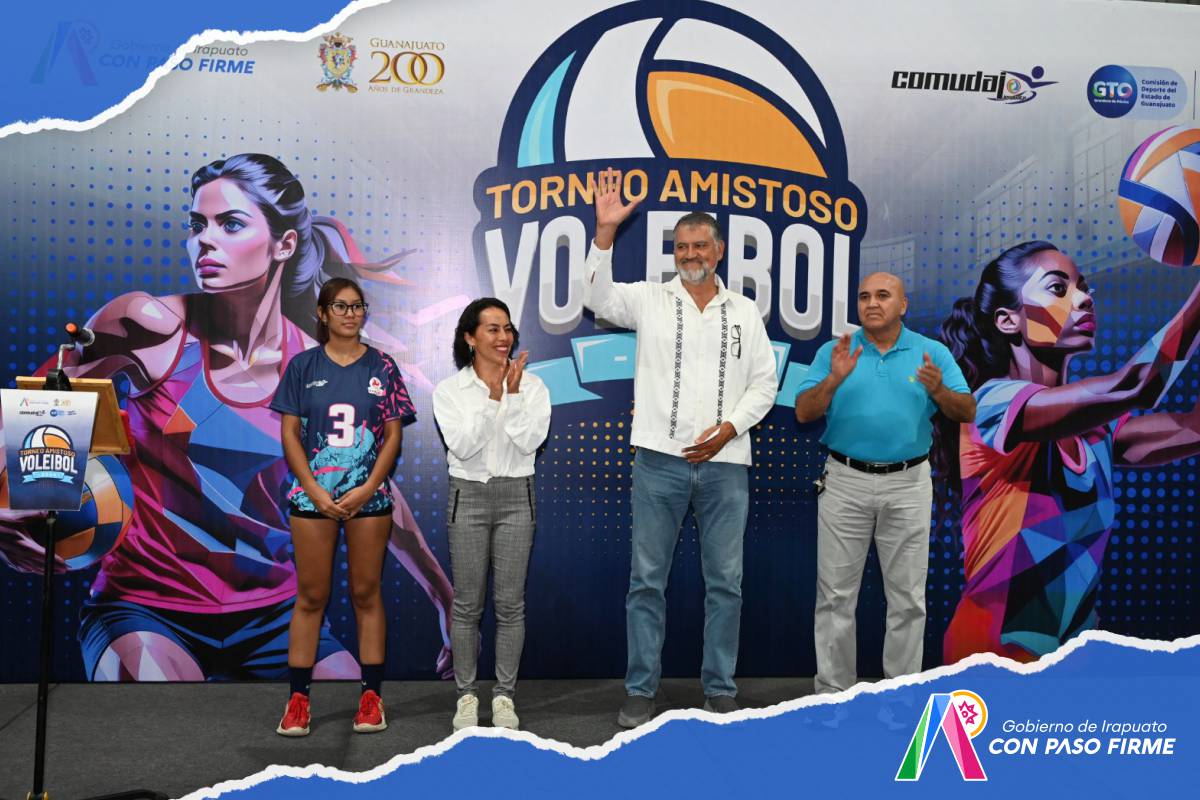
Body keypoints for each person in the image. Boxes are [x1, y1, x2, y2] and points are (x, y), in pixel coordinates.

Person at [0, 154, 453, 683]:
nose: (204, 241)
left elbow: (371, 489)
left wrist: (445, 598)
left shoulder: (316, 369)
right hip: (144, 608)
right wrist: (16, 508)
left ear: (284, 244)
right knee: (160, 709)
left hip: (274, 616)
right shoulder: (148, 324)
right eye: (197, 225)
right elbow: (41, 407)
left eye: (230, 224)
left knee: (346, 706)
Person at [936, 241, 1200, 663]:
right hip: (990, 657)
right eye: (1059, 289)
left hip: (1067, 663)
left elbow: (1193, 429)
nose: (1084, 299)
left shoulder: (1099, 432)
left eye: (1084, 288)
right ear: (1008, 320)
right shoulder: (990, 405)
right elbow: (1137, 385)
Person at [584, 168, 778, 728]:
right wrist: (604, 232)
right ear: (674, 252)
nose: (691, 254)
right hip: (658, 463)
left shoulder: (744, 311)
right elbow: (596, 297)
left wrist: (730, 428)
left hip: (726, 466)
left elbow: (764, 383)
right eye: (682, 246)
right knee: (646, 583)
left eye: (700, 245)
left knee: (726, 585)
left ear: (719, 251)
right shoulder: (649, 298)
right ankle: (640, 689)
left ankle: (720, 688)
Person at [795, 271, 975, 694]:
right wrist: (834, 378)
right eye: (864, 297)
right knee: (835, 598)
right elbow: (803, 411)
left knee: (907, 599)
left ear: (903, 305)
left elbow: (966, 409)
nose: (872, 303)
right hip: (844, 483)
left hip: (909, 485)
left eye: (882, 295)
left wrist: (939, 391)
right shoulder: (834, 351)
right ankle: (833, 696)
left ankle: (900, 696)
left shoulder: (931, 353)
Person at [271, 277, 413, 735]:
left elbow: (393, 435)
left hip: (368, 498)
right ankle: (298, 699)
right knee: (312, 596)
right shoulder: (302, 365)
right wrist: (313, 489)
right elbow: (289, 433)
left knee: (366, 593)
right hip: (313, 497)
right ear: (322, 312)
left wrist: (370, 486)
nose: (350, 314)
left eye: (357, 306)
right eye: (340, 306)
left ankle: (371, 697)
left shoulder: (383, 366)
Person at [432, 298, 550, 731]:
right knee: (466, 605)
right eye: (493, 329)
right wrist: (495, 396)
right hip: (468, 497)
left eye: (508, 329)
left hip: (518, 496)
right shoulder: (450, 391)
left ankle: (504, 697)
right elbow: (463, 447)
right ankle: (466, 696)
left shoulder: (533, 387)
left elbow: (529, 442)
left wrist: (513, 395)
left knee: (510, 604)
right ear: (470, 337)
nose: (504, 338)